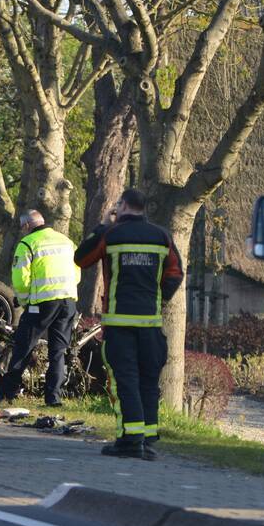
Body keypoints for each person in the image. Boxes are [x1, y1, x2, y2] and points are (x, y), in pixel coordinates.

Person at [74, 188, 183, 460]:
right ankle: (146, 437)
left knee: (125, 381)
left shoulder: (111, 234)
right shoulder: (162, 237)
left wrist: (104, 225)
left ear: (122, 206)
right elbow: (176, 272)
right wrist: (159, 297)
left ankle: (130, 439)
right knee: (148, 381)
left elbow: (82, 258)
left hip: (120, 324)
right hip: (151, 323)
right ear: (143, 208)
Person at [0, 210, 79, 406]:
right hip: (68, 301)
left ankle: (8, 393)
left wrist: (25, 301)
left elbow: (20, 279)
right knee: (58, 351)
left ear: (27, 226)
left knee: (24, 345)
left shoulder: (27, 244)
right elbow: (77, 271)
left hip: (42, 304)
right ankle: (53, 398)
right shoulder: (67, 242)